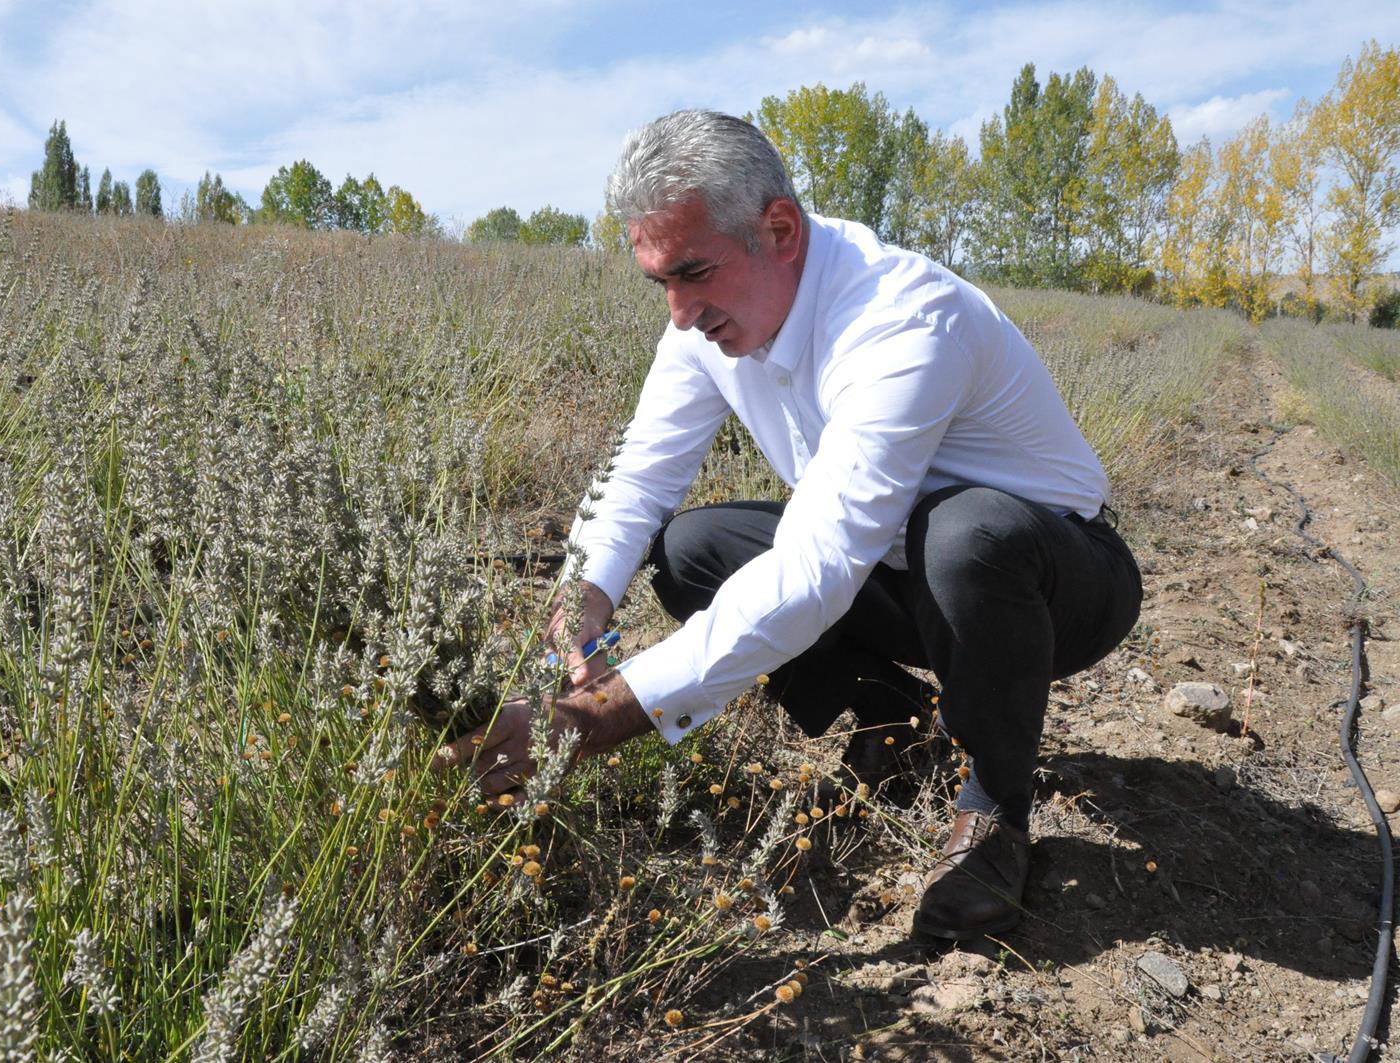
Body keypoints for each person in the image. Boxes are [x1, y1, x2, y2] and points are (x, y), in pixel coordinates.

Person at [436, 109, 1142, 941]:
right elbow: (644, 470)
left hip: (1054, 582)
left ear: (779, 229)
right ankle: (895, 722)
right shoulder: (704, 321)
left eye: (692, 273)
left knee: (966, 534)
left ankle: (995, 811)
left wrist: (588, 723)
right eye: (659, 281)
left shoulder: (901, 319)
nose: (678, 311)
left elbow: (815, 569)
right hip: (897, 569)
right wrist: (582, 594)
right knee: (693, 549)